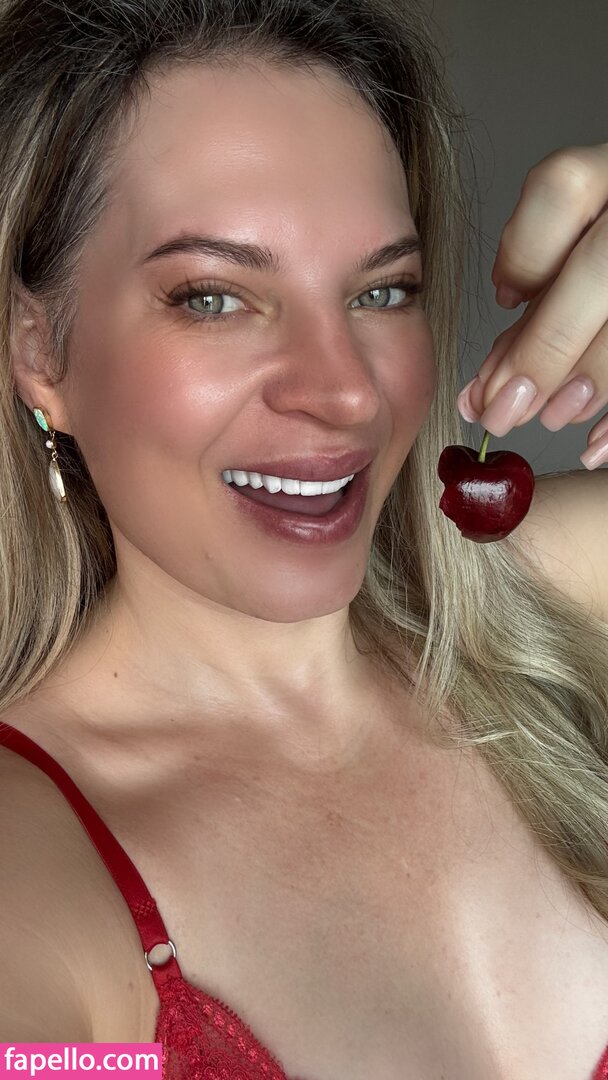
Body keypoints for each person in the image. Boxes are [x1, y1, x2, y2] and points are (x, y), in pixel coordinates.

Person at [0, 0, 607, 1077]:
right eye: (214, 299)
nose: (344, 392)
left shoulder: (555, 605)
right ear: (41, 351)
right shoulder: (31, 869)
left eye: (382, 290)